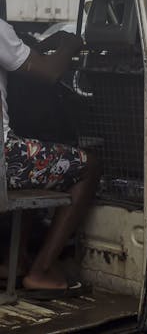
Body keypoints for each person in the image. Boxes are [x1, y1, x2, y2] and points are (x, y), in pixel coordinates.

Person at [0, 17, 102, 297]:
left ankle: (15, 260)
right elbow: (48, 72)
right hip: (3, 160)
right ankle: (42, 269)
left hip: (12, 157)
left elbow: (19, 54)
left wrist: (43, 45)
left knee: (38, 157)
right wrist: (68, 44)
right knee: (89, 166)